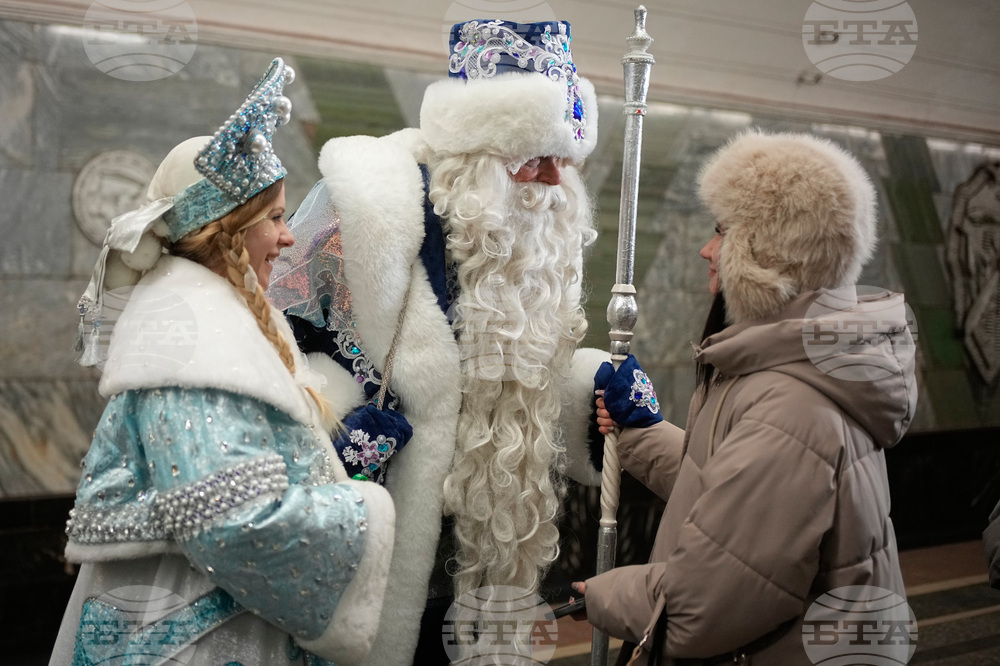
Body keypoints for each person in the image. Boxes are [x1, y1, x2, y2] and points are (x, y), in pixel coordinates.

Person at [266, 19, 608, 664]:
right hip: (374, 531)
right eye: (534, 157)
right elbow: (275, 337)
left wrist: (590, 388)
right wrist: (331, 420)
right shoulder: (371, 204)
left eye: (565, 159)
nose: (555, 182)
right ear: (478, 152)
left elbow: (515, 376)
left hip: (487, 547)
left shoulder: (537, 227)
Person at [51, 58, 395, 666]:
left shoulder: (214, 325)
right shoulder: (193, 345)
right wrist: (364, 513)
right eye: (276, 217)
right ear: (226, 233)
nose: (289, 238)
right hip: (195, 636)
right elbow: (232, 520)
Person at [577, 130, 918, 665]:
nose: (706, 250)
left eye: (721, 233)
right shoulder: (784, 372)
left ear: (768, 252)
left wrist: (600, 594)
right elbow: (729, 496)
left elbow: (705, 607)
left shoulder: (790, 404)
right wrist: (638, 429)